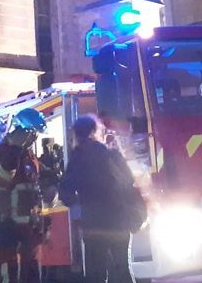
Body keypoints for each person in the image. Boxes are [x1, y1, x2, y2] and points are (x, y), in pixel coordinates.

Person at [59, 115, 145, 283]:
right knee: (122, 270)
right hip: (119, 221)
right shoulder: (112, 154)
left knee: (96, 273)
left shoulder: (77, 160)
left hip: (93, 225)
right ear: (95, 131)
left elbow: (65, 193)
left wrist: (80, 205)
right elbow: (129, 181)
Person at [0, 109, 47, 283]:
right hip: (8, 226)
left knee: (32, 271)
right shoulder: (3, 153)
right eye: (32, 133)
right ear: (22, 131)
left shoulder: (28, 156)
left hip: (29, 226)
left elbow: (36, 180)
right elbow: (1, 180)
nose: (34, 138)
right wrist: (14, 150)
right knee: (10, 270)